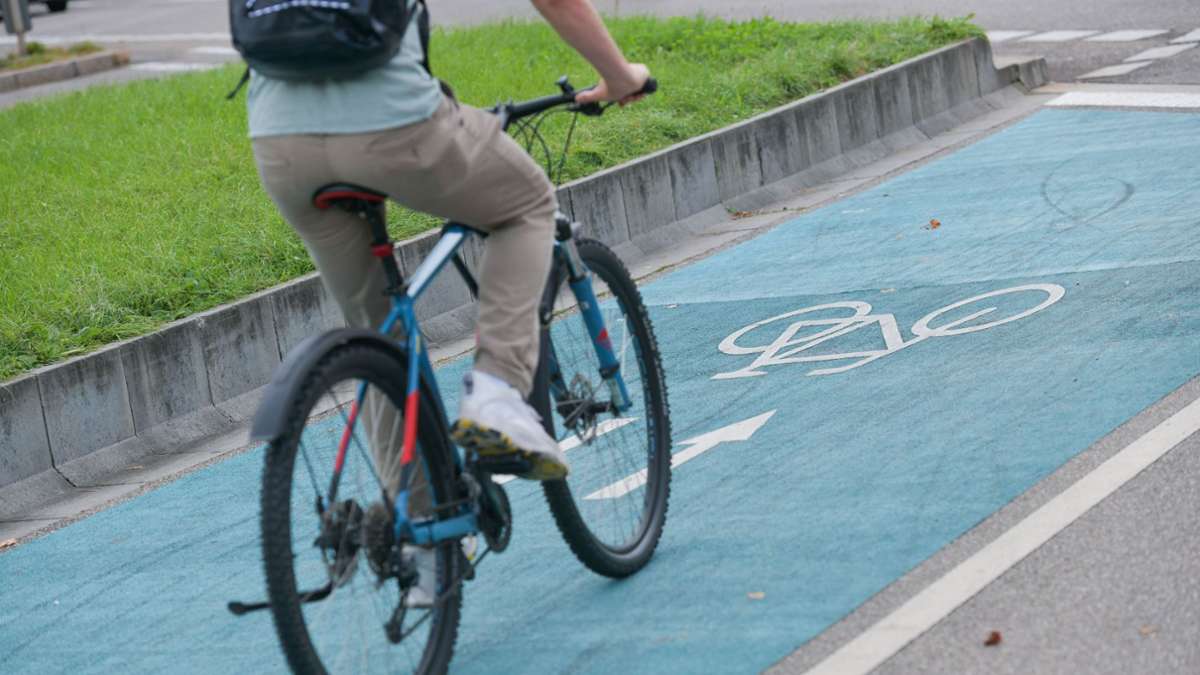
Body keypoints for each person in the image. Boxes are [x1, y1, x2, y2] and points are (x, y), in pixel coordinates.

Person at [247, 0, 651, 485]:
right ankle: (497, 392)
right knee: (525, 205)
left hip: (280, 142)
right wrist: (620, 74)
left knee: (377, 335)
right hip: (393, 122)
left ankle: (420, 539)